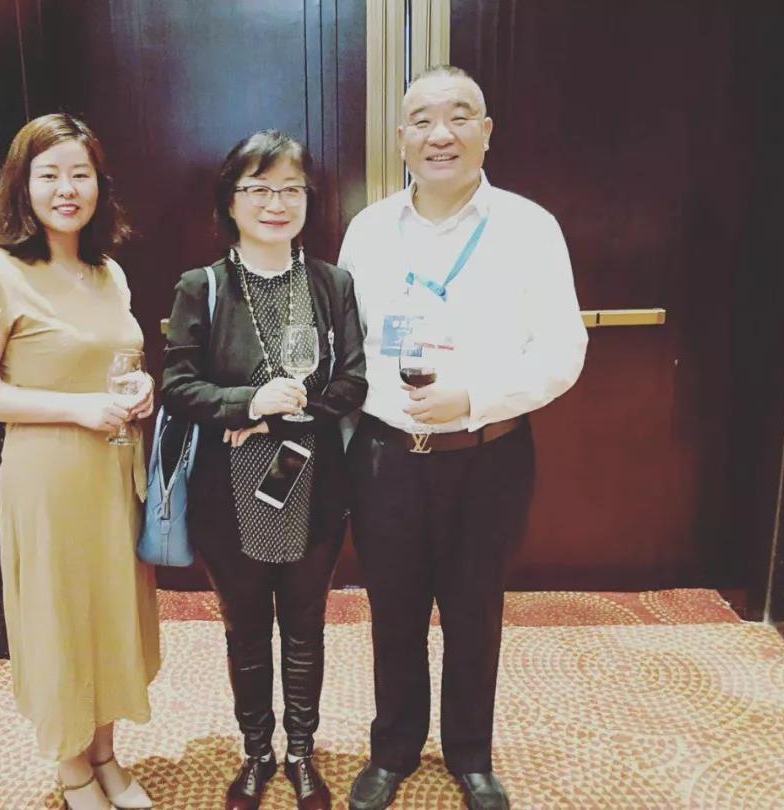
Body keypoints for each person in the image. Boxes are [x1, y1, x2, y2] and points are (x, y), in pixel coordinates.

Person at [339, 66, 588, 810]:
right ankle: (393, 749)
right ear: (401, 138)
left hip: (490, 456)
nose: (439, 134)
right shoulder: (368, 230)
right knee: (394, 612)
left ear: (486, 132)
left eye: (459, 116)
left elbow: (563, 351)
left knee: (476, 611)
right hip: (385, 458)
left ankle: (471, 754)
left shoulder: (530, 227)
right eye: (421, 119)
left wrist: (473, 399)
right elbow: (345, 348)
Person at [0, 113, 159, 810]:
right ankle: (72, 768)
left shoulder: (108, 272)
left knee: (109, 610)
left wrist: (139, 387)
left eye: (80, 174)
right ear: (22, 185)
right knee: (61, 616)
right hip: (48, 475)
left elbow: (114, 359)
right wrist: (75, 409)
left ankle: (105, 752)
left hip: (114, 470)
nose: (67, 189)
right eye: (49, 175)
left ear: (99, 184)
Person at [162, 130, 367, 810]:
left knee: (305, 626)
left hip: (313, 482)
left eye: (290, 189)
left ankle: (302, 752)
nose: (275, 204)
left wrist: (280, 417)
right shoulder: (203, 287)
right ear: (231, 200)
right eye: (258, 189)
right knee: (246, 627)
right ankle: (256, 752)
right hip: (227, 490)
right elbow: (177, 385)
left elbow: (353, 380)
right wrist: (244, 403)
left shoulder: (331, 284)